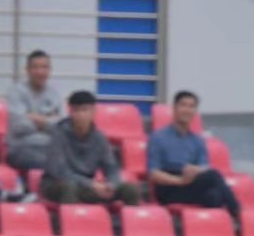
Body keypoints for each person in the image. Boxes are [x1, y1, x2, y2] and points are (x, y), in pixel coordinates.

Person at [39, 91, 144, 206]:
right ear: (70, 112)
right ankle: (71, 223)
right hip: (56, 184)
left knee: (130, 189)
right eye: (76, 110)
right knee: (69, 187)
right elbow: (59, 171)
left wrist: (111, 185)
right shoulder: (58, 133)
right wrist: (91, 184)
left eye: (84, 110)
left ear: (93, 112)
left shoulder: (99, 137)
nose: (80, 115)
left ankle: (130, 222)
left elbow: (111, 168)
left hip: (87, 186)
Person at [146, 90, 239, 218]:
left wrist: (194, 171)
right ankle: (237, 212)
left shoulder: (198, 140)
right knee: (214, 175)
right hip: (168, 186)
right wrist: (179, 181)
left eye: (192, 106)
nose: (187, 110)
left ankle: (213, 233)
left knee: (214, 196)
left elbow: (203, 167)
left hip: (190, 182)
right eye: (183, 105)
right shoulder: (158, 137)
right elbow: (153, 174)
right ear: (174, 108)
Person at [5, 50, 62, 174]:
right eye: (36, 67)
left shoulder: (55, 94)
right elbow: (19, 127)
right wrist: (47, 120)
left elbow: (60, 127)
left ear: (49, 70)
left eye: (44, 67)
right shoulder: (16, 92)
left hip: (49, 148)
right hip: (21, 148)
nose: (40, 72)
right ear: (27, 70)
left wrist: (34, 118)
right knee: (55, 165)